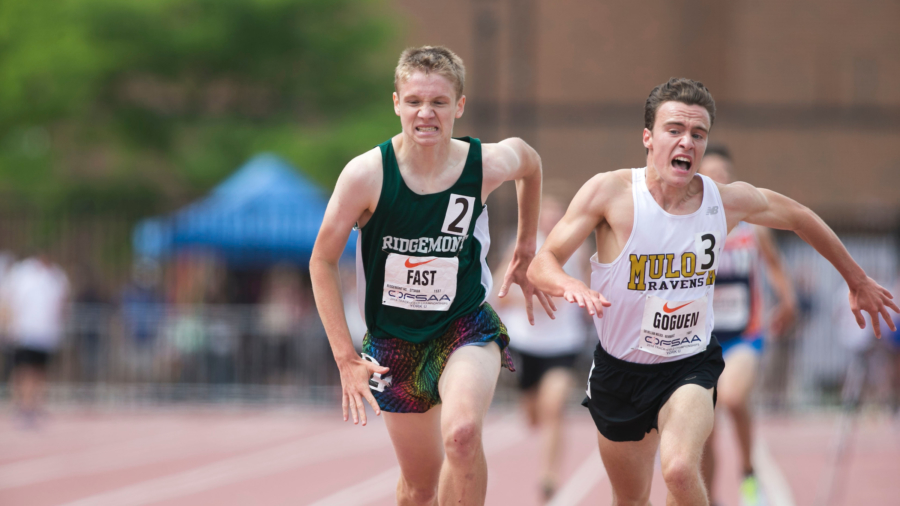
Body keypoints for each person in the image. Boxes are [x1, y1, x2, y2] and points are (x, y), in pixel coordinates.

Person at [526, 77, 899, 506]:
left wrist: (856, 279)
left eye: (697, 134)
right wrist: (570, 284)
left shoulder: (723, 201)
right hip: (619, 372)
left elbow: (799, 216)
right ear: (648, 137)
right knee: (630, 499)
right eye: (674, 130)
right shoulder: (611, 194)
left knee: (681, 470)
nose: (687, 142)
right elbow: (543, 262)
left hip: (688, 364)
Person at [310, 46, 552, 506]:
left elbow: (531, 162)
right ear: (396, 103)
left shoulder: (483, 164)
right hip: (393, 342)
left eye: (439, 102)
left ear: (459, 106)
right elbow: (320, 260)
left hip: (463, 326)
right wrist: (345, 357)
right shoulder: (366, 175)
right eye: (415, 101)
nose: (426, 113)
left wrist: (525, 247)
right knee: (419, 488)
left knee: (461, 435)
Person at [698, 146, 797, 506]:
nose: (718, 179)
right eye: (710, 174)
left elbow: (772, 265)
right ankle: (707, 497)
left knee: (734, 397)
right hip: (699, 340)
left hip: (745, 334)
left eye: (724, 172)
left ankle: (748, 471)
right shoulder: (687, 227)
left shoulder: (753, 227)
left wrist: (788, 300)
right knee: (702, 429)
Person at [492, 196, 589, 502]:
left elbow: (585, 288)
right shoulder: (521, 247)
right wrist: (530, 298)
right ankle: (533, 414)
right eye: (545, 217)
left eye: (556, 217)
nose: (550, 223)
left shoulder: (578, 250)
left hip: (563, 344)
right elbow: (500, 293)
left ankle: (548, 477)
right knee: (533, 415)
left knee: (554, 406)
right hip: (526, 342)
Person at [0, 251, 70, 427]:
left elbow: (62, 303)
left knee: (39, 371)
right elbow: (8, 300)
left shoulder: (56, 275)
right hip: (24, 331)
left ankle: (34, 405)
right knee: (23, 371)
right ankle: (22, 405)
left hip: (45, 334)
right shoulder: (21, 274)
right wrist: (7, 324)